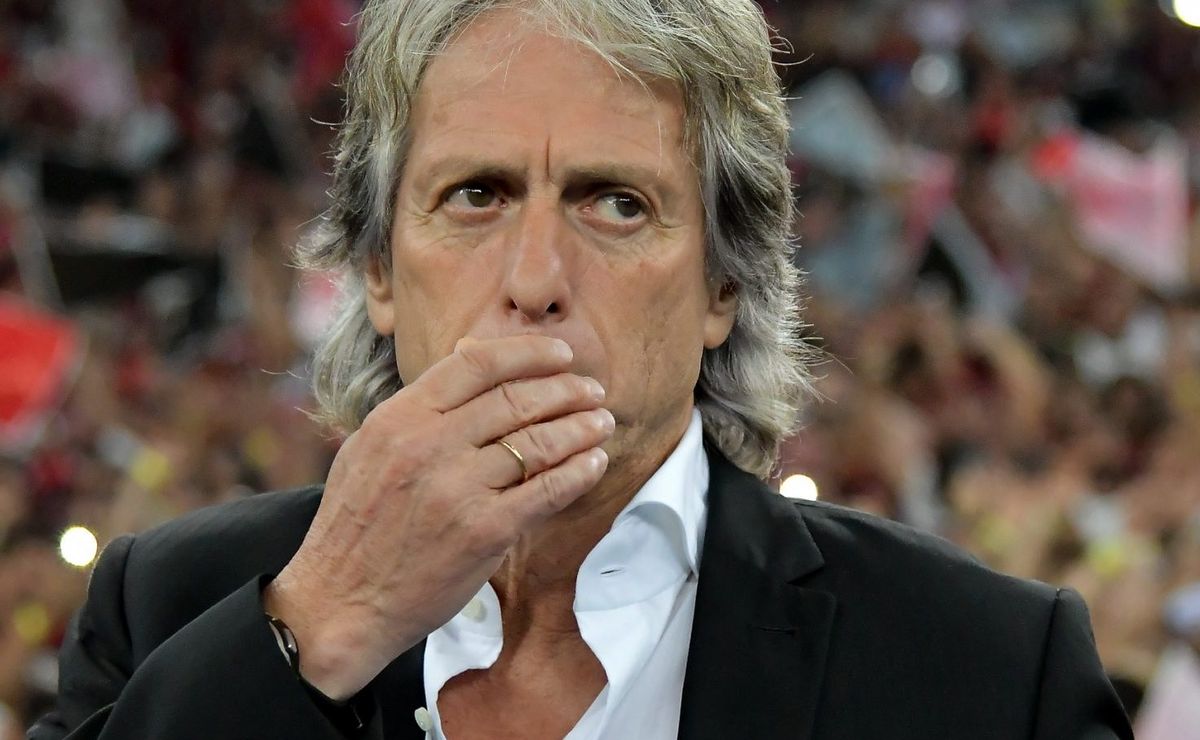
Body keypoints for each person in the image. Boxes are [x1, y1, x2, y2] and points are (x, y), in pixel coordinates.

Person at [30, 1, 1134, 738]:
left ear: (723, 283)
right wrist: (315, 626)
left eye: (616, 203)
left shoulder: (989, 670)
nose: (536, 281)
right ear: (377, 267)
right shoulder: (164, 607)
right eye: (477, 195)